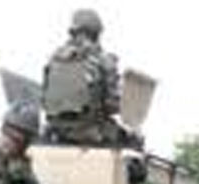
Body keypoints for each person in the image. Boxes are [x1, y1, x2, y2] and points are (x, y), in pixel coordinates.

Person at [42, 9, 138, 147]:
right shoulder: (104, 60)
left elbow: (44, 99)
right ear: (96, 33)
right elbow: (112, 105)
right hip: (93, 134)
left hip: (57, 132)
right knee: (133, 140)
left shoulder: (53, 60)